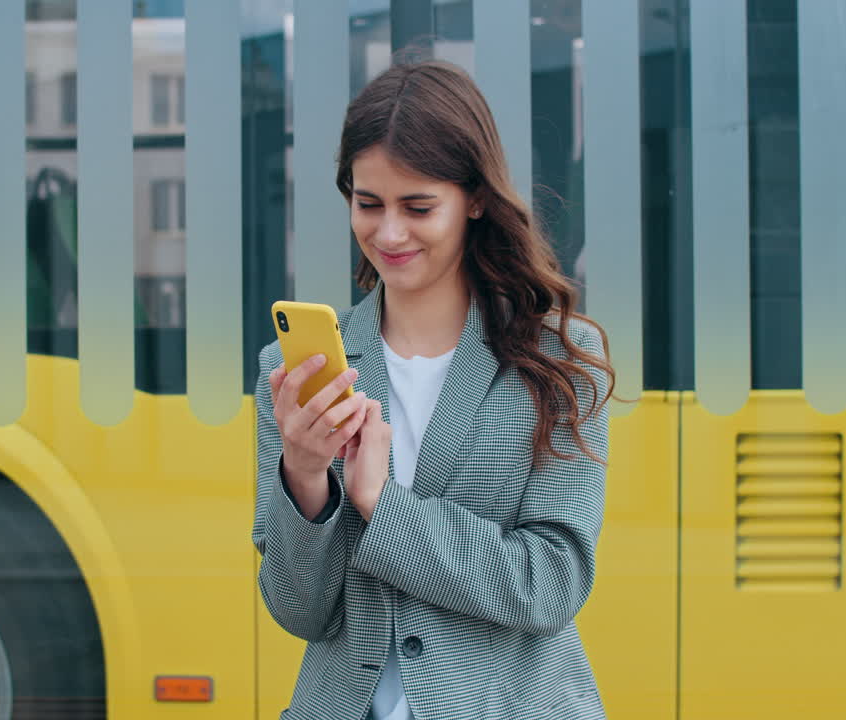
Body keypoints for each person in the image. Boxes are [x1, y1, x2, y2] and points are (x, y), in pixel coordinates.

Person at [251, 60, 615, 720]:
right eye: (368, 204)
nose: (389, 233)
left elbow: (550, 584)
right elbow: (299, 611)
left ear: (475, 198)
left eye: (419, 207)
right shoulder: (298, 370)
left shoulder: (559, 360)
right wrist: (304, 479)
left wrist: (380, 507)